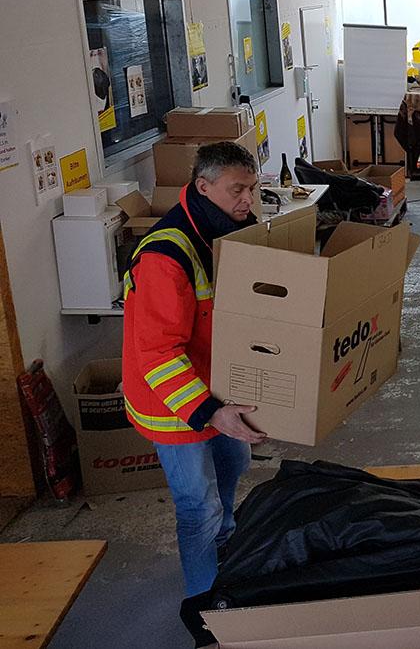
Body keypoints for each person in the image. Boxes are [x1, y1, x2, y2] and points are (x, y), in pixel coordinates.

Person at [121, 141, 268, 630]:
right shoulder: (165, 256)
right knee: (198, 507)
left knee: (231, 474)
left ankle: (223, 559)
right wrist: (208, 411)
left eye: (252, 188)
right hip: (172, 402)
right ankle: (208, 616)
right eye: (237, 190)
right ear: (203, 187)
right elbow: (158, 354)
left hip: (215, 388)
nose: (248, 199)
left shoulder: (226, 232)